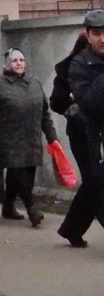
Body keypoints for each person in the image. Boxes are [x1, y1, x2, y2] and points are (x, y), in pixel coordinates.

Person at [0, 48, 58, 226]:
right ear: (7, 64)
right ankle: (32, 210)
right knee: (18, 172)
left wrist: (52, 137)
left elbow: (44, 114)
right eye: (15, 60)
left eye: (21, 60)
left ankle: (8, 207)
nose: (19, 63)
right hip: (8, 140)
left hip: (31, 138)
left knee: (26, 174)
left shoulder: (34, 83)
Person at [50, 32, 103, 247]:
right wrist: (75, 106)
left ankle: (71, 229)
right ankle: (72, 230)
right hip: (81, 131)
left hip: (98, 129)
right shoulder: (70, 69)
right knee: (95, 181)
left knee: (94, 182)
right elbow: (56, 102)